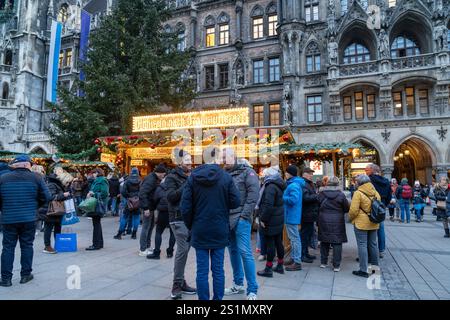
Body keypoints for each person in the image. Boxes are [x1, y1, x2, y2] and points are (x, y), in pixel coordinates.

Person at [180, 148, 240, 301]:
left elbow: (185, 207)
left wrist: (191, 225)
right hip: (219, 228)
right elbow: (236, 202)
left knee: (201, 271)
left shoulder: (193, 177)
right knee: (218, 270)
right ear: (217, 158)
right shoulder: (226, 177)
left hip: (200, 228)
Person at [0, 155, 51, 287]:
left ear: (15, 165)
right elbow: (47, 196)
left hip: (9, 219)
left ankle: (6, 279)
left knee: (7, 248)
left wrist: (5, 208)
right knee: (27, 246)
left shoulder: (3, 178)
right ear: (27, 165)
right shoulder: (37, 178)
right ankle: (25, 275)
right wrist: (35, 207)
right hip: (28, 218)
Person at [222, 148, 259, 300]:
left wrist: (244, 216)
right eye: (222, 158)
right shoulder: (224, 174)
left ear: (234, 157)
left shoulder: (248, 172)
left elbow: (253, 195)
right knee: (233, 252)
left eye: (226, 157)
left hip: (241, 218)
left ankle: (252, 289)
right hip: (227, 219)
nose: (223, 160)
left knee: (245, 252)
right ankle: (238, 284)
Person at [165, 151, 196, 299]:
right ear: (179, 162)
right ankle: (176, 285)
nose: (190, 163)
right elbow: (171, 197)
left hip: (189, 219)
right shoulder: (172, 177)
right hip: (177, 218)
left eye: (191, 160)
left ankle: (181, 281)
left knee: (184, 251)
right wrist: (187, 184)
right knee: (182, 250)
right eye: (187, 160)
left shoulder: (191, 176)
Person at [256, 166, 286, 278]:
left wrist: (263, 219)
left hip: (271, 219)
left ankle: (268, 268)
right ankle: (280, 265)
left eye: (265, 174)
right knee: (278, 242)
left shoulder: (270, 187)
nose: (264, 176)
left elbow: (268, 205)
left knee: (270, 244)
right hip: (278, 218)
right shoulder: (278, 185)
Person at [349, 174, 381, 278]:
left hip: (361, 223)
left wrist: (351, 219)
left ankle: (363, 270)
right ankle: (375, 269)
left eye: (356, 181)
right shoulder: (375, 192)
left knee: (362, 245)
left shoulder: (358, 193)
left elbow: (353, 210)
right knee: (373, 245)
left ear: (359, 183)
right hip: (374, 221)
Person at [318, 176, 350, 272]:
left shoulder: (321, 194)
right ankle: (336, 265)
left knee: (324, 241)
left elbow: (317, 205)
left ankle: (323, 263)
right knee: (337, 242)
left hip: (323, 219)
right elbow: (346, 208)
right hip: (337, 220)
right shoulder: (341, 195)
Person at [138, 164, 166, 256]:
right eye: (163, 174)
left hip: (151, 207)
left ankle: (147, 246)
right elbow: (142, 193)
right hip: (148, 207)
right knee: (146, 227)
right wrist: (146, 208)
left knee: (150, 227)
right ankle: (142, 249)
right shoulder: (151, 180)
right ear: (159, 173)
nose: (164, 175)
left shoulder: (154, 179)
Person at [282, 165, 304, 271]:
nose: (284, 174)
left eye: (286, 172)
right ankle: (293, 258)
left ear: (289, 173)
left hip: (292, 215)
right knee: (293, 239)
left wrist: (282, 197)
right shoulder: (294, 183)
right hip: (292, 215)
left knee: (295, 239)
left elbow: (293, 200)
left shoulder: (293, 185)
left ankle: (297, 262)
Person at [43, 171, 71, 253]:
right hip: (51, 211)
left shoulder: (58, 185)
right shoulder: (52, 184)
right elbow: (51, 197)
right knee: (48, 228)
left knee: (57, 228)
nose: (68, 183)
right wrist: (64, 195)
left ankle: (58, 244)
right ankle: (47, 246)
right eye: (67, 182)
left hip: (58, 211)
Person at [147, 178, 175, 259]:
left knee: (158, 231)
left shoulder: (160, 187)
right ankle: (170, 252)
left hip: (163, 212)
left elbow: (155, 198)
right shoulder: (176, 186)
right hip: (173, 212)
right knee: (172, 232)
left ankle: (157, 253)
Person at [365, 164, 389, 258]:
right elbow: (389, 195)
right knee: (381, 228)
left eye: (367, 170)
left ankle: (369, 252)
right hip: (381, 206)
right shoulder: (386, 181)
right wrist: (383, 205)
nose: (366, 171)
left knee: (368, 229)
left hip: (371, 206)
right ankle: (381, 250)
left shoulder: (369, 180)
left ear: (372, 170)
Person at [114, 168, 141, 240]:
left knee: (124, 217)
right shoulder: (140, 181)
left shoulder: (127, 181)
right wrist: (137, 197)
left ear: (131, 172)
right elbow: (142, 191)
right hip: (137, 202)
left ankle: (119, 234)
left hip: (128, 202)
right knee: (136, 217)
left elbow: (123, 191)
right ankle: (134, 234)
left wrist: (128, 197)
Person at [86, 168, 109, 250]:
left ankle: (96, 244)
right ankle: (99, 243)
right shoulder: (97, 181)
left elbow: (105, 193)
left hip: (98, 205)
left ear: (98, 173)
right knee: (96, 224)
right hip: (95, 204)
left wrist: (93, 194)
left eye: (94, 173)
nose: (93, 175)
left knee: (96, 224)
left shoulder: (102, 180)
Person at [301, 167, 319, 263]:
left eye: (312, 173)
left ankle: (306, 253)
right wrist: (317, 196)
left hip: (310, 214)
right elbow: (305, 198)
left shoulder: (309, 183)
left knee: (307, 235)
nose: (312, 175)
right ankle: (303, 255)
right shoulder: (304, 184)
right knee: (304, 235)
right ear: (304, 174)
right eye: (310, 173)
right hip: (306, 214)